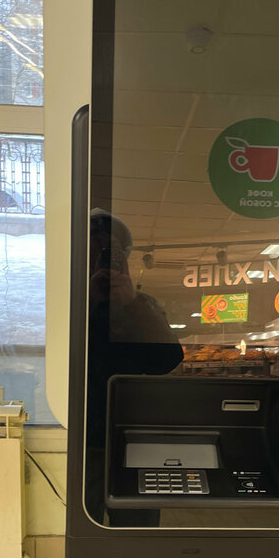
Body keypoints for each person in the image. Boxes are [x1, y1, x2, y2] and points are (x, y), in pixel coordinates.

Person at [85, 208, 183, 527]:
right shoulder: (71, 305)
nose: (103, 258)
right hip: (83, 441)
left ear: (124, 259)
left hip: (136, 440)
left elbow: (167, 360)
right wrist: (88, 302)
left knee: (138, 533)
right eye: (95, 249)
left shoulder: (143, 305)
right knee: (83, 532)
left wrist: (131, 303)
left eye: (111, 251)